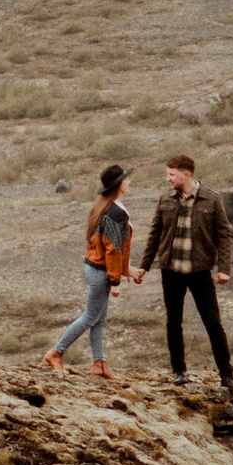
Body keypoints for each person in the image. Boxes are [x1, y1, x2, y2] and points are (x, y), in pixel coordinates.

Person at [134, 152, 233, 390]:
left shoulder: (212, 199)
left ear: (186, 174)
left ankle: (227, 376)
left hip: (200, 271)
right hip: (171, 271)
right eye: (167, 174)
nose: (168, 179)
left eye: (171, 174)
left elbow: (224, 235)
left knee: (213, 323)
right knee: (173, 323)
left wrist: (224, 269)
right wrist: (144, 267)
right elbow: (155, 234)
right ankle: (179, 372)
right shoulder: (165, 199)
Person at [45, 162, 132, 380]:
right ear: (119, 184)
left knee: (98, 319)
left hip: (93, 267)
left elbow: (107, 246)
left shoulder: (102, 205)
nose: (129, 182)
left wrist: (126, 269)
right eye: (126, 179)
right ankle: (56, 353)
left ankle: (99, 364)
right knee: (89, 317)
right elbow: (112, 248)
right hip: (101, 271)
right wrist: (115, 281)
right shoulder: (115, 211)